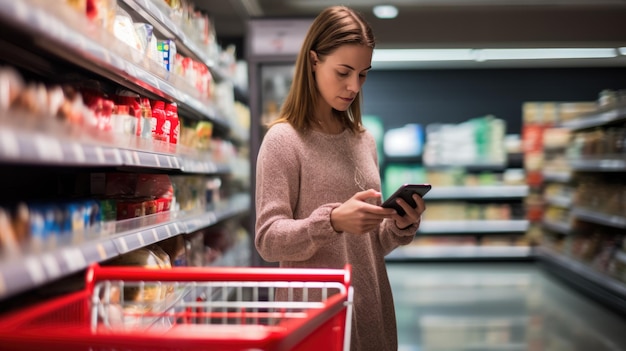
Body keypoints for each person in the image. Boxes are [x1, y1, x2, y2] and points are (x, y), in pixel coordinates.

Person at [254, 5, 426, 351]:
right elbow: (268, 240)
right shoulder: (284, 140)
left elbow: (369, 244)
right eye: (344, 72)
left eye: (363, 74)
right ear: (314, 61)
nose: (353, 86)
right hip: (313, 314)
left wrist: (398, 226)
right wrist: (331, 221)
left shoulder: (364, 140)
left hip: (370, 307)